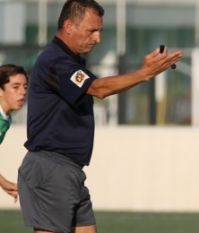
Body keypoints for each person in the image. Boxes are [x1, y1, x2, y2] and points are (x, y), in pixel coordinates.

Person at [17, 1, 182, 233]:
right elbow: (99, 88)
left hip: (70, 170)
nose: (97, 39)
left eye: (100, 31)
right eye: (91, 31)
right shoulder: (56, 60)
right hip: (51, 169)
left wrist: (145, 72)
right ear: (69, 26)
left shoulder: (72, 61)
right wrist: (144, 73)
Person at [0, 64, 28, 202]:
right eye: (16, 87)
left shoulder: (6, 117)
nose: (22, 92)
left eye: (25, 87)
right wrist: (3, 182)